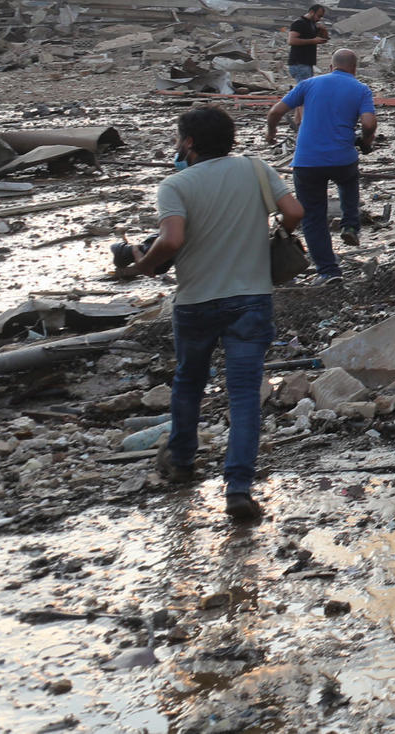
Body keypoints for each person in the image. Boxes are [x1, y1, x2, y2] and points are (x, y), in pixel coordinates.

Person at [115, 105, 302, 523]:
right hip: (252, 298)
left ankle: (181, 459)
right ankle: (238, 488)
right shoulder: (256, 169)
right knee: (243, 395)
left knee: (188, 383)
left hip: (197, 301)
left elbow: (173, 238)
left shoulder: (175, 185)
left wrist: (144, 263)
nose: (177, 145)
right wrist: (279, 235)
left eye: (179, 137)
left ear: (189, 142)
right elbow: (294, 212)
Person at [263, 48, 377, 285]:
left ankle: (328, 271)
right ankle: (350, 225)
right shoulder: (360, 89)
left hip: (307, 162)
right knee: (348, 182)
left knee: (313, 217)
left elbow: (275, 111)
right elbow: (369, 122)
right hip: (342, 159)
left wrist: (271, 132)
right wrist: (366, 141)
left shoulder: (308, 84)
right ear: (354, 69)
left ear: (331, 67)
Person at [282, 4, 329, 83]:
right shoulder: (299, 23)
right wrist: (313, 41)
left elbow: (321, 38)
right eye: (318, 16)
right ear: (311, 12)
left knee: (307, 89)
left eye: (321, 17)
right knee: (305, 90)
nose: (319, 19)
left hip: (307, 63)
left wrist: (322, 32)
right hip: (299, 63)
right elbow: (291, 40)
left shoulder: (311, 24)